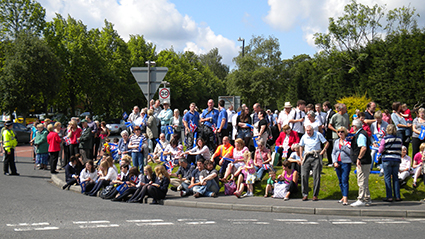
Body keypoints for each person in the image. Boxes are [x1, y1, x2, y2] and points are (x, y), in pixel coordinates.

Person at [299, 125, 328, 201]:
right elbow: (301, 146)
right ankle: (305, 194)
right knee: (304, 175)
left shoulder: (318, 134)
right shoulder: (304, 136)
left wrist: (323, 151)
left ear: (313, 130)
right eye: (307, 131)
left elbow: (326, 143)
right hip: (307, 155)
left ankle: (315, 195)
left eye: (310, 131)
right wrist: (301, 156)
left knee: (316, 176)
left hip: (316, 155)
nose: (308, 132)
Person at [350, 119, 372, 207]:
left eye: (352, 126)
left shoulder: (361, 135)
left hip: (363, 161)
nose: (351, 128)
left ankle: (361, 199)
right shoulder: (362, 133)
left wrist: (359, 158)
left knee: (361, 180)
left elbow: (363, 148)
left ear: (355, 127)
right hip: (366, 160)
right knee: (364, 180)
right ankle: (367, 198)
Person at [379, 124, 402, 202]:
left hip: (387, 159)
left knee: (387, 177)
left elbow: (380, 150)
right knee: (395, 178)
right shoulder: (399, 139)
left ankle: (389, 196)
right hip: (396, 159)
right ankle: (397, 196)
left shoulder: (385, 139)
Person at [331, 126, 352, 206]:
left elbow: (350, 152)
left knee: (344, 180)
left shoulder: (348, 141)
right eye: (339, 132)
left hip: (346, 162)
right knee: (340, 180)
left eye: (342, 132)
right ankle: (343, 196)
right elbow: (333, 152)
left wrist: (343, 146)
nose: (340, 133)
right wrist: (334, 161)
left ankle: (345, 198)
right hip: (338, 162)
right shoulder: (336, 141)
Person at [323, 101, 336, 167]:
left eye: (323, 107)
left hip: (331, 133)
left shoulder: (332, 113)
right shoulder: (327, 113)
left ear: (326, 106)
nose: (323, 108)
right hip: (327, 132)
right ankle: (329, 161)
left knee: (330, 147)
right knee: (328, 147)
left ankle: (331, 161)